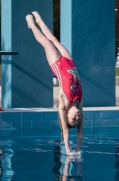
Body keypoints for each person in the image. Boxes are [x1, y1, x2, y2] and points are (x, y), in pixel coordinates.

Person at [26, 12, 83, 156]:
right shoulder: (80, 105)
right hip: (70, 63)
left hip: (57, 64)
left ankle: (32, 24)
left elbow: (65, 130)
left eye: (73, 119)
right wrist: (78, 149)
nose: (77, 118)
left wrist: (70, 151)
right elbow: (80, 134)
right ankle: (39, 20)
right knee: (54, 39)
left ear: (67, 114)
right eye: (78, 120)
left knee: (46, 42)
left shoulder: (63, 105)